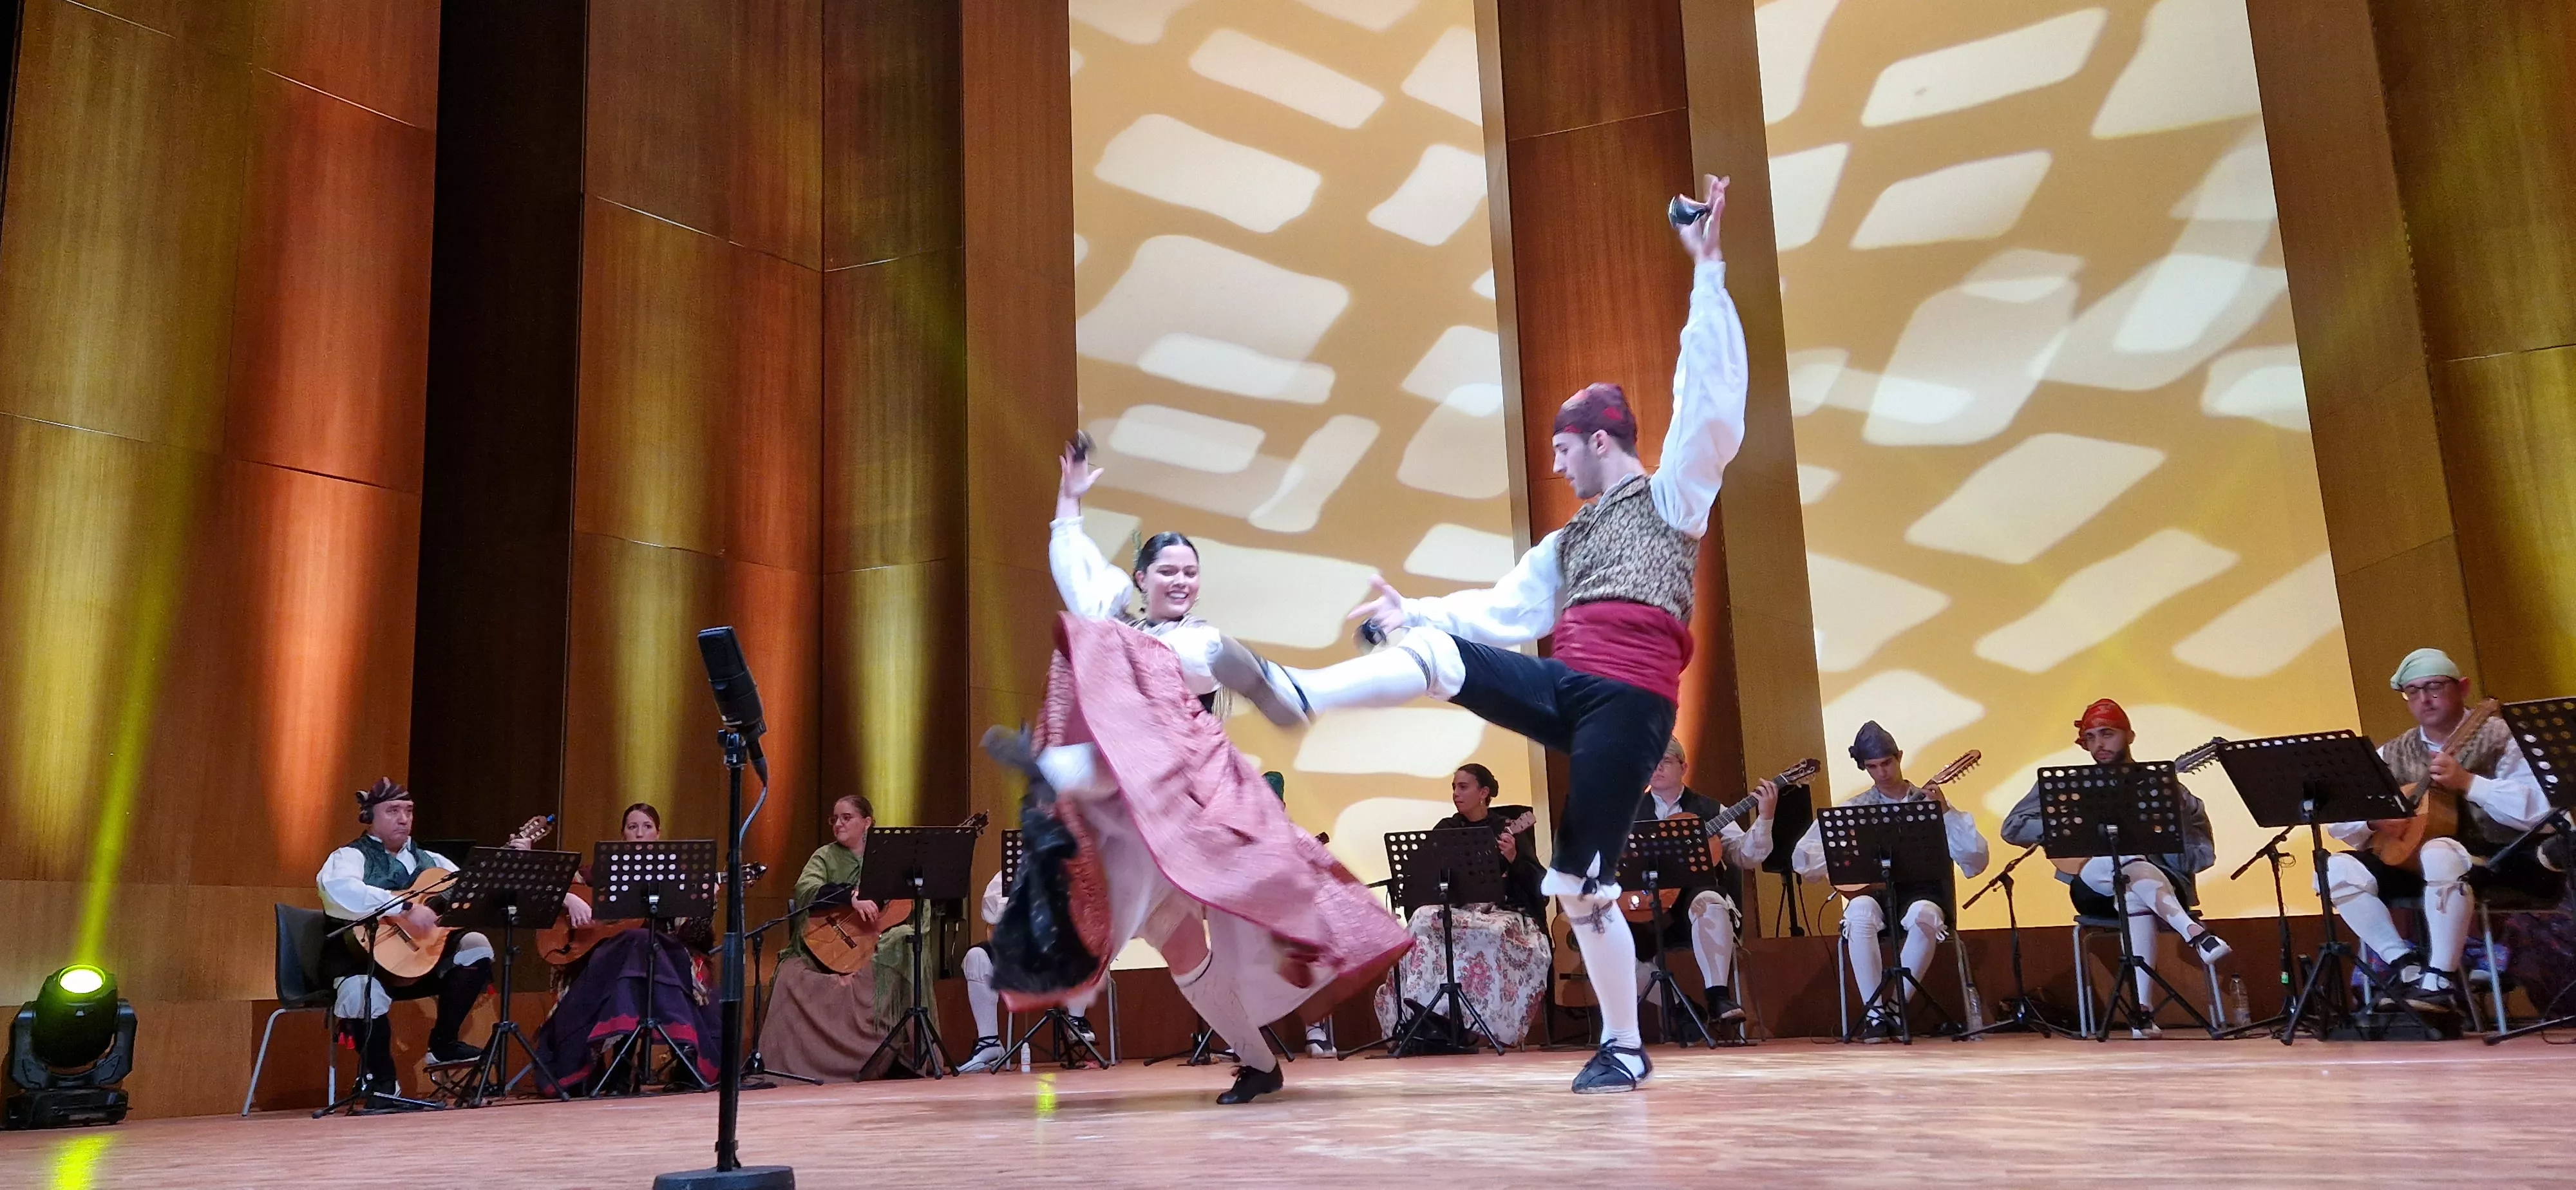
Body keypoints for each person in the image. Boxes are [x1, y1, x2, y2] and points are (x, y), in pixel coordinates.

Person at [1225, 175, 1750, 1093]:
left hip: (1631, 705)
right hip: (1570, 689)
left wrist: (1708, 273)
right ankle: (1301, 691)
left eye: (1561, 442)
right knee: (1437, 657)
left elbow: (1709, 403)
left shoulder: (1673, 498)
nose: (1552, 456)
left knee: (1584, 890)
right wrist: (1412, 614)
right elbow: (1503, 611)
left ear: (1600, 438)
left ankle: (1624, 1047)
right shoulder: (1568, 539)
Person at [2325, 648, 2559, 1016]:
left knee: (2439, 853)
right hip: (2417, 865)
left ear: (2462, 688)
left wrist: (2469, 783)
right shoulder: (2394, 751)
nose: (2424, 698)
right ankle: (2406, 967)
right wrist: (2375, 821)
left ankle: (2441, 979)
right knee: (2334, 870)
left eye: (2434, 686)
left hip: (2503, 860)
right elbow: (2340, 816)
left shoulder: (2506, 738)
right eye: (2412, 691)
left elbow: (2541, 807)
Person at [1999, 699, 2227, 1035]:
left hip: (2163, 885)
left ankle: (2142, 1014)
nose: (2099, 744)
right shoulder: (2071, 786)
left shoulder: (2167, 789)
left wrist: (2178, 810)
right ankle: (2194, 934)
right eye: (2090, 737)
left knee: (2133, 890)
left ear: (2130, 735)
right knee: (2116, 861)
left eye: (2107, 734)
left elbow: (2202, 857)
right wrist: (2073, 826)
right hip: (2095, 889)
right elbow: (2013, 827)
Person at [1792, 722, 1989, 1039]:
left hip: (1924, 892)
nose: (1882, 773)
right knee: (1857, 914)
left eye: (1887, 763)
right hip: (1876, 894)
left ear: (1899, 758)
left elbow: (1976, 860)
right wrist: (1845, 859)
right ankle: (1874, 1015)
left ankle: (1896, 1009)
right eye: (1873, 767)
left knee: (1924, 915)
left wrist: (1946, 812)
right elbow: (1802, 859)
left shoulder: (1931, 805)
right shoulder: (1854, 809)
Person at [315, 779, 507, 1097]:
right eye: (392, 811)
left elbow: (472, 890)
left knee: (476, 945)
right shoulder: (349, 857)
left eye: (409, 811)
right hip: (361, 959)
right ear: (370, 817)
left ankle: (443, 1043)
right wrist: (404, 907)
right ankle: (381, 1084)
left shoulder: (433, 862)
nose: (404, 819)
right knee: (363, 991)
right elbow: (340, 889)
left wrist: (507, 866)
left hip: (421, 961)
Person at [531, 802, 722, 1091]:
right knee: (634, 944)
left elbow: (692, 933)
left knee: (640, 944)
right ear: (623, 834)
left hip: (663, 960)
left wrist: (706, 901)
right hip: (609, 958)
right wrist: (570, 900)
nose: (640, 834)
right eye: (633, 827)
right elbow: (549, 886)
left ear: (658, 834)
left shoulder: (676, 871)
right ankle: (619, 1070)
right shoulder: (604, 866)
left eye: (647, 827)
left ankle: (622, 1069)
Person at [757, 795, 942, 1081]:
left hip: (878, 943)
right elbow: (805, 890)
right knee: (789, 973)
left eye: (847, 818)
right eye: (835, 818)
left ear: (867, 822)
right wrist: (850, 897)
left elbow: (915, 902)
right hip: (834, 944)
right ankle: (802, 1064)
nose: (838, 824)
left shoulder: (888, 858)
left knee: (905, 943)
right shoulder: (825, 856)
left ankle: (898, 1054)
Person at [1372, 764, 1553, 1047]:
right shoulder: (1446, 830)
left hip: (1500, 910)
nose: (1456, 793)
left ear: (1484, 792)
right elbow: (1420, 877)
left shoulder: (1505, 828)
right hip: (1456, 910)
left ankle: (1475, 1026)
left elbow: (1539, 885)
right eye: (1454, 788)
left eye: (1463, 787)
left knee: (1494, 932)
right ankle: (1422, 1015)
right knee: (1421, 919)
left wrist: (1515, 858)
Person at [1634, 738, 1778, 1025]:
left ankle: (1717, 996)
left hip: (1692, 910)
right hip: (1645, 910)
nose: (1657, 767)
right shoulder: (1627, 814)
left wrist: (1765, 817)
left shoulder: (1712, 809)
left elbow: (1746, 856)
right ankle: (1681, 1010)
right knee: (1601, 935)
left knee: (1709, 900)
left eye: (1666, 761)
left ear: (1684, 767)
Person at [958, 868, 1099, 1074]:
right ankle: (989, 1043)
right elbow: (991, 914)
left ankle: (1076, 1023)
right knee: (976, 957)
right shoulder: (1008, 872)